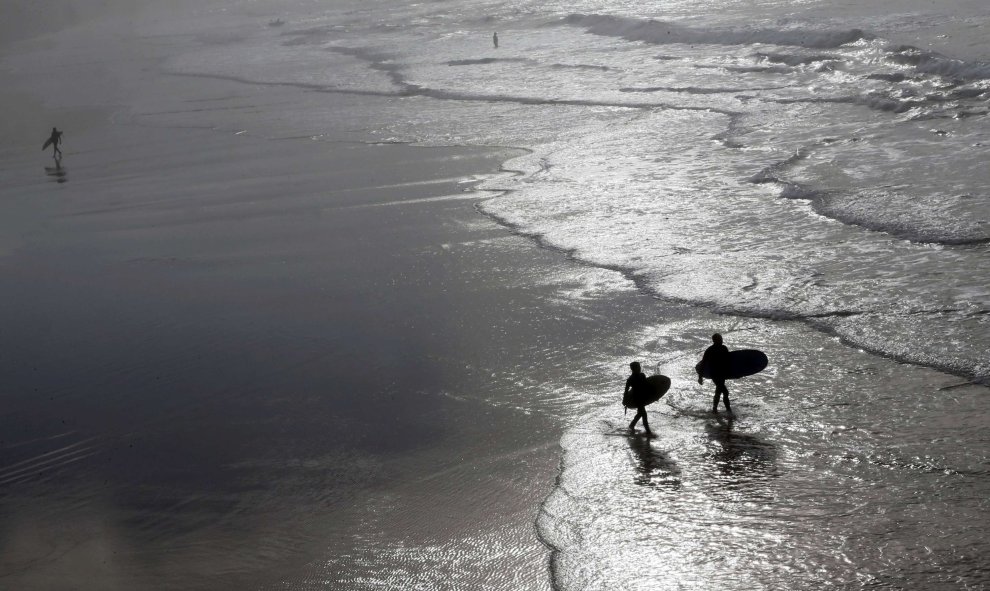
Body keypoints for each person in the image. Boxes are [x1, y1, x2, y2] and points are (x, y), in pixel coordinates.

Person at [697, 333, 732, 414]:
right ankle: (728, 410)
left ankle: (715, 409)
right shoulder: (710, 350)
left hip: (722, 373)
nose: (722, 340)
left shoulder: (724, 348)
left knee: (719, 391)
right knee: (725, 392)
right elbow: (703, 363)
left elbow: (728, 362)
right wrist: (700, 377)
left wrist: (735, 374)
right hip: (714, 374)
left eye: (721, 338)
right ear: (714, 340)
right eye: (720, 339)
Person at [623, 361, 653, 435]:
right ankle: (648, 431)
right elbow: (626, 391)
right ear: (633, 369)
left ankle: (632, 425)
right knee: (644, 414)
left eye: (639, 367)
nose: (639, 368)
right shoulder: (630, 379)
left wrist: (654, 395)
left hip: (643, 397)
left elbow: (647, 386)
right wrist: (624, 400)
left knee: (640, 413)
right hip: (636, 399)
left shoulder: (642, 375)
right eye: (638, 367)